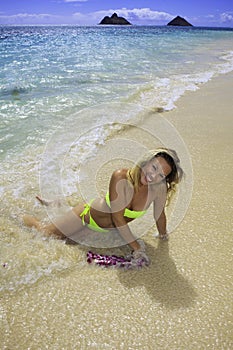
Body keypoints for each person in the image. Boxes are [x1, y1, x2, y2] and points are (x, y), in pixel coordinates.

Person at [23, 148, 183, 265]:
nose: (153, 176)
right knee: (45, 233)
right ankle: (17, 215)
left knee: (69, 244)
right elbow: (118, 218)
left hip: (105, 229)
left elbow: (159, 215)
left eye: (161, 175)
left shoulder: (158, 189)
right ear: (147, 162)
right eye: (154, 167)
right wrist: (136, 247)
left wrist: (163, 236)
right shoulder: (121, 177)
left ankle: (57, 205)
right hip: (86, 217)